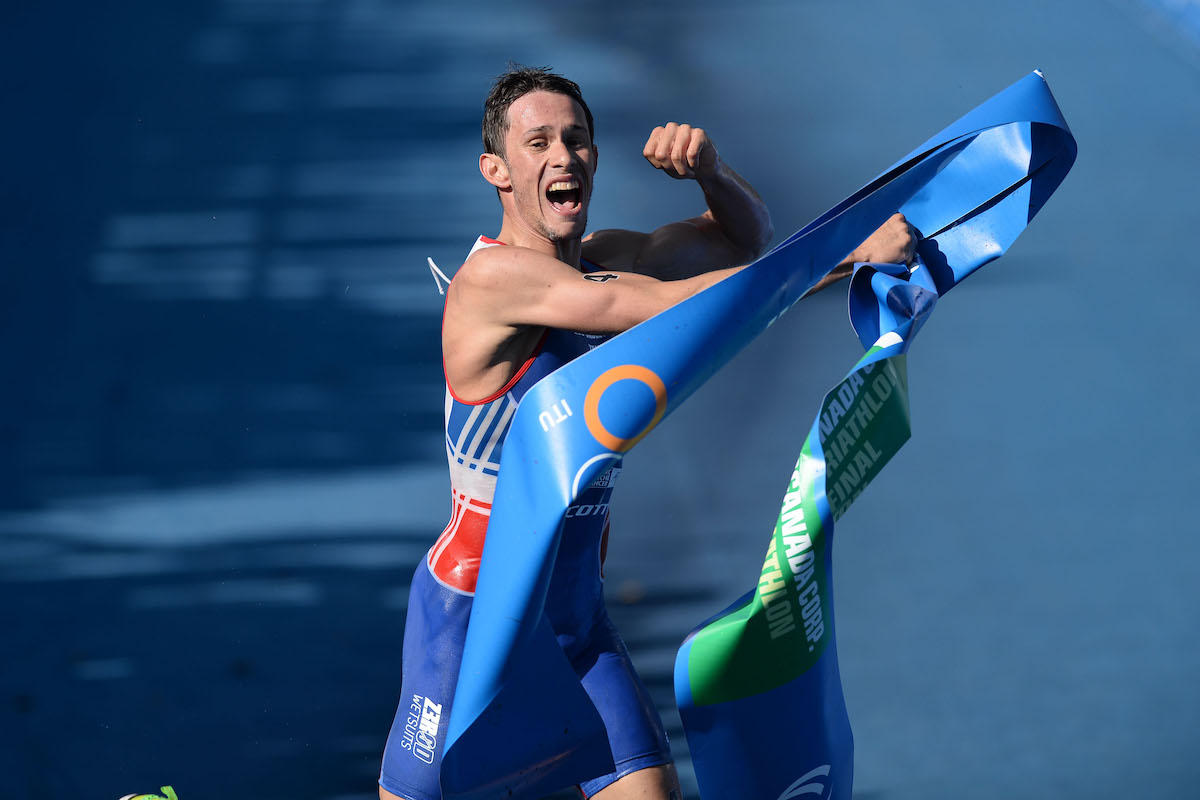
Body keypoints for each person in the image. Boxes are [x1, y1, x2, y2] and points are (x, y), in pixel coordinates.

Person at [379, 65, 914, 800]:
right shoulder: (492, 282)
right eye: (538, 142)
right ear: (496, 170)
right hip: (471, 620)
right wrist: (844, 256)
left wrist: (711, 172)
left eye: (576, 139)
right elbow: (665, 309)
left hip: (573, 618)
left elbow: (744, 242)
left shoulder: (607, 259)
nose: (563, 156)